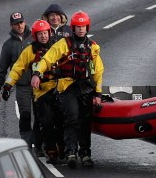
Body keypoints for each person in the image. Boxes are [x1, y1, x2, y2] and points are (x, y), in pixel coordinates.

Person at [31, 10, 103, 168]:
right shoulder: (64, 44)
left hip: (85, 87)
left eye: (83, 26)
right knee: (71, 117)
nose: (81, 29)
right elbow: (48, 58)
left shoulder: (93, 47)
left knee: (85, 121)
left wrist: (98, 93)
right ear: (73, 27)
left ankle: (85, 153)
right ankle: (71, 151)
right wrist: (37, 73)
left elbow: (98, 72)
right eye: (78, 26)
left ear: (87, 27)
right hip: (67, 86)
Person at [1, 20, 63, 162]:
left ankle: (62, 149)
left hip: (58, 89)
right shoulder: (30, 51)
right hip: (40, 92)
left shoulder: (57, 47)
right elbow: (17, 68)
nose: (43, 36)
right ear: (35, 35)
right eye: (40, 34)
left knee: (60, 120)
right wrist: (7, 86)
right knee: (44, 120)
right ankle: (48, 149)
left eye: (45, 33)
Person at [0, 12, 34, 148]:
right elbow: (2, 67)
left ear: (25, 22)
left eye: (21, 22)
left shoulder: (35, 37)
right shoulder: (8, 45)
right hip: (22, 86)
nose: (20, 26)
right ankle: (27, 144)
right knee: (25, 115)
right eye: (16, 24)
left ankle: (41, 145)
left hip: (40, 85)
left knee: (41, 116)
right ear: (12, 26)